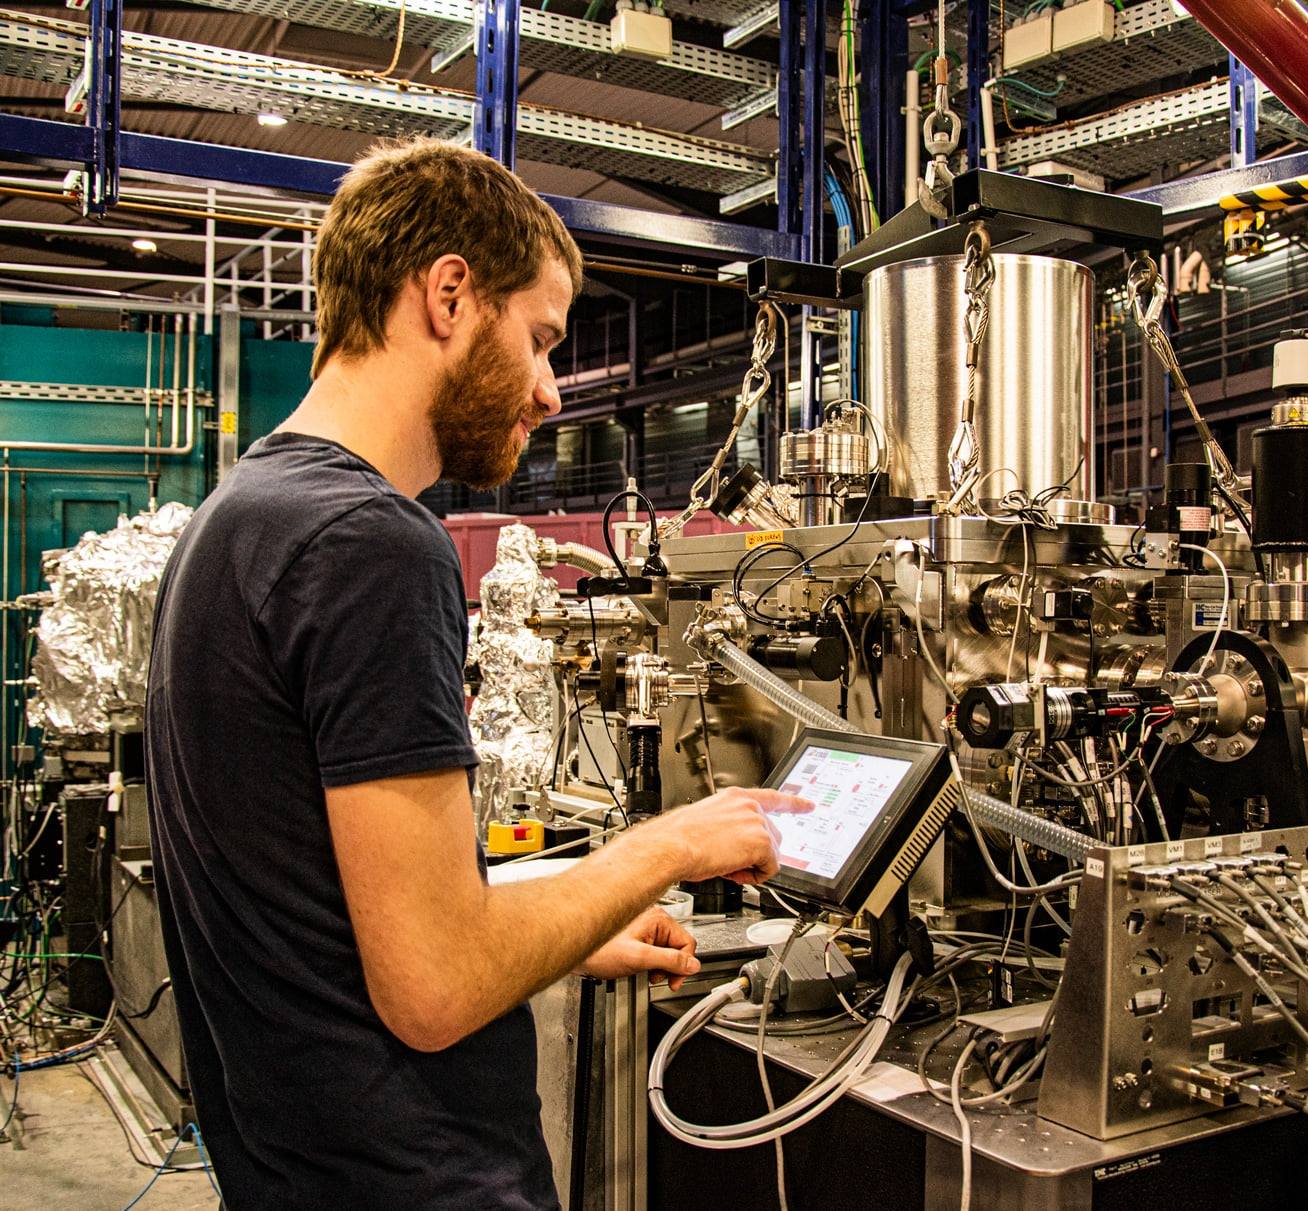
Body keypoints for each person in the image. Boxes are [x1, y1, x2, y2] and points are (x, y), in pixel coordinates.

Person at [144, 137, 812, 1210]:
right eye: (541, 337)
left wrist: (572, 916)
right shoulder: (371, 541)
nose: (550, 390)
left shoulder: (234, 521)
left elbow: (320, 900)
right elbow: (436, 985)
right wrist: (665, 845)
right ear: (450, 293)